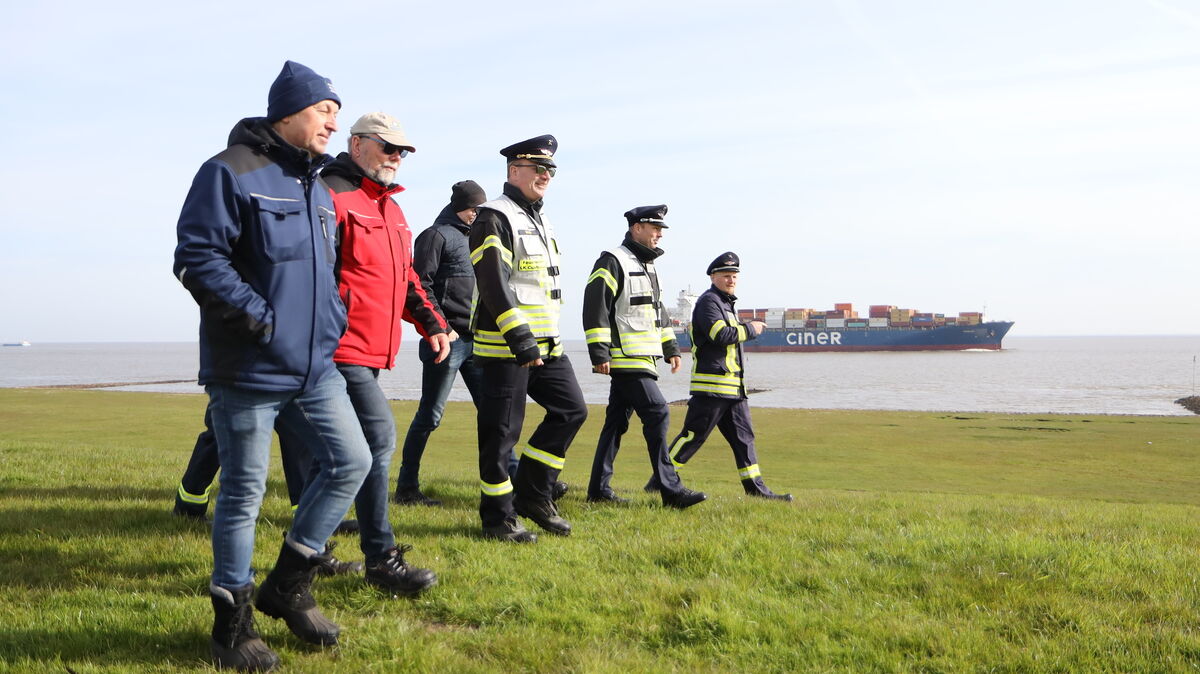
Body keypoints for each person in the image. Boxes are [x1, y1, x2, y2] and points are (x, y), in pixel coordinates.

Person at [174, 60, 370, 671]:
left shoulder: (316, 185)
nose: (333, 123)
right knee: (243, 495)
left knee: (353, 462)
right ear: (288, 112)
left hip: (315, 367)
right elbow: (197, 258)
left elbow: (324, 273)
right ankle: (231, 625)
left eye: (337, 112)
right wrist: (262, 320)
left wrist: (330, 320)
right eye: (324, 111)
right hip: (249, 372)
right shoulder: (228, 172)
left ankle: (287, 585)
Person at [280, 110, 447, 596]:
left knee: (327, 457)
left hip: (373, 351)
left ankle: (315, 549)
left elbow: (405, 278)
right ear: (356, 145)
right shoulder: (331, 195)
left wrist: (432, 323)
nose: (397, 158)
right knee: (377, 438)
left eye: (403, 152)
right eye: (387, 148)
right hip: (338, 348)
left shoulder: (391, 208)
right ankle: (381, 558)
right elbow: (312, 274)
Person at [469, 134, 588, 542]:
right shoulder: (493, 217)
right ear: (513, 170)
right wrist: (519, 337)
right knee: (501, 436)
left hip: (548, 345)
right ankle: (497, 519)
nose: (545, 175)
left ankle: (534, 493)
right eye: (538, 168)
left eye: (550, 170)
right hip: (507, 347)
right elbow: (492, 283)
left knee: (572, 410)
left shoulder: (540, 218)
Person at [582, 205, 706, 509]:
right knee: (658, 413)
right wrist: (599, 352)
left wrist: (670, 348)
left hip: (644, 357)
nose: (659, 234)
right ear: (636, 228)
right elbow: (595, 305)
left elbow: (657, 312)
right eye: (655, 228)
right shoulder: (612, 260)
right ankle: (670, 490)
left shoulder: (649, 266)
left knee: (616, 423)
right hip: (626, 357)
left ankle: (598, 489)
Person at [649, 252, 793, 502]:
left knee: (744, 438)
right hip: (712, 387)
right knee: (692, 437)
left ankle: (757, 491)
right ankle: (659, 483)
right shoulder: (708, 303)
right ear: (713, 277)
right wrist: (751, 329)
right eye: (726, 275)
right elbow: (721, 335)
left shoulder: (726, 304)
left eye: (735, 276)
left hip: (734, 389)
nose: (731, 280)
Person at [394, 180, 488, 507]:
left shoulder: (478, 238)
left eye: (481, 209)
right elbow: (420, 287)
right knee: (430, 415)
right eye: (473, 208)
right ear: (459, 206)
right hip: (446, 341)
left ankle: (515, 482)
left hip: (478, 341)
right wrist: (442, 329)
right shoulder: (435, 236)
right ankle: (407, 488)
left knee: (491, 413)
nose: (477, 214)